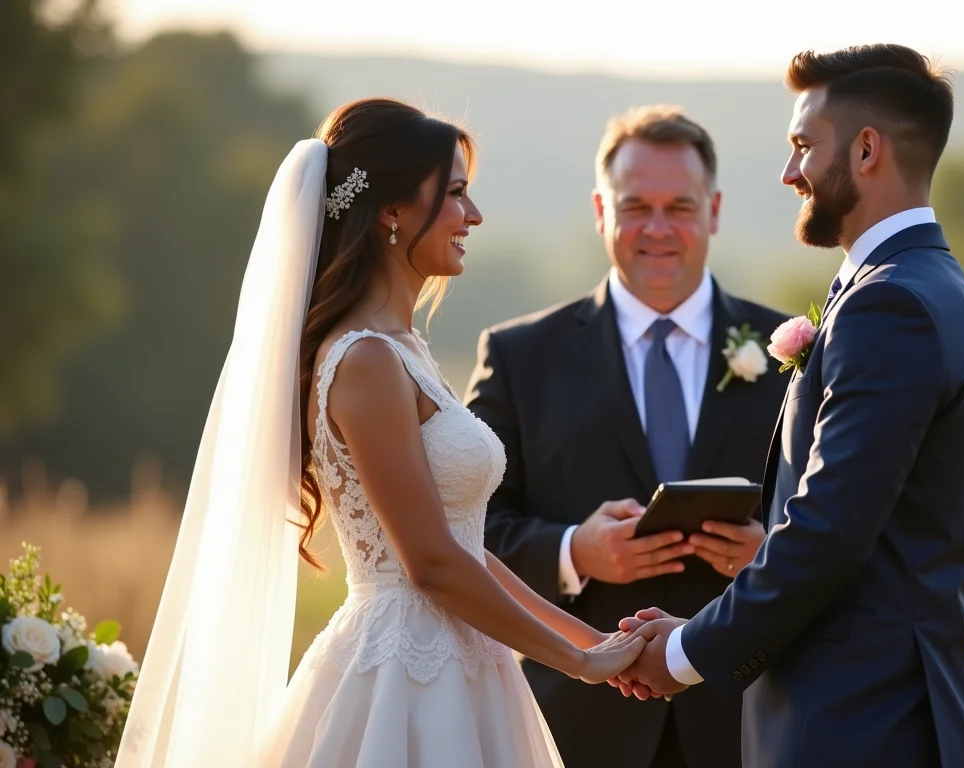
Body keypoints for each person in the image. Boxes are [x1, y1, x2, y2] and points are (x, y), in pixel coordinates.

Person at [115, 97, 647, 768]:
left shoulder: (406, 351)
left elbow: (465, 547)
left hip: (467, 662)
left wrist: (592, 641)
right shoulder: (365, 361)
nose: (473, 216)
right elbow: (428, 564)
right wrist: (576, 661)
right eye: (455, 195)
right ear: (392, 211)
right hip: (404, 680)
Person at [616, 45, 964, 768]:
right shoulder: (933, 285)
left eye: (802, 147)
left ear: (865, 150)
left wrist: (684, 653)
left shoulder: (888, 303)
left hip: (858, 723)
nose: (789, 172)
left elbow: (825, 535)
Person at [464, 106, 789, 768]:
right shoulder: (521, 355)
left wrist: (768, 555)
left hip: (748, 721)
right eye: (636, 206)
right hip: (573, 726)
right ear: (600, 209)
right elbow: (463, 528)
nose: (659, 228)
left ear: (715, 210)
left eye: (680, 206)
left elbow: (841, 523)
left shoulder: (793, 354)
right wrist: (572, 551)